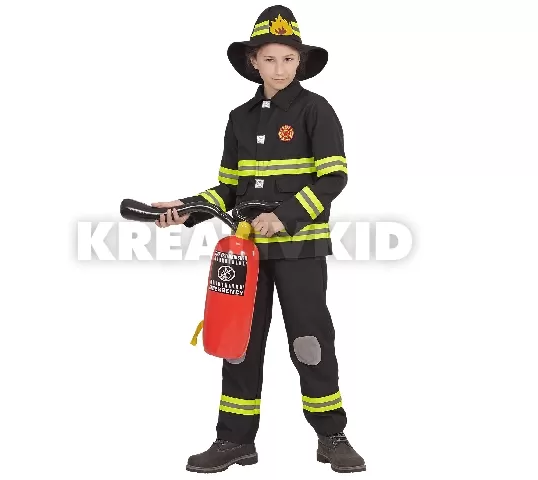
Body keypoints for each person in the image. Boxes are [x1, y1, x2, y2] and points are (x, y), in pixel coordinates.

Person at [152, 5, 366, 474]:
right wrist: (186, 209)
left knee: (309, 341)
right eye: (270, 59)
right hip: (245, 253)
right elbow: (228, 188)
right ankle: (234, 441)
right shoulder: (239, 119)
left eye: (288, 59)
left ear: (300, 62)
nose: (280, 69)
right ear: (254, 61)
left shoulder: (316, 110)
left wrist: (283, 217)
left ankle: (331, 435)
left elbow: (334, 178)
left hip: (301, 250)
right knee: (239, 342)